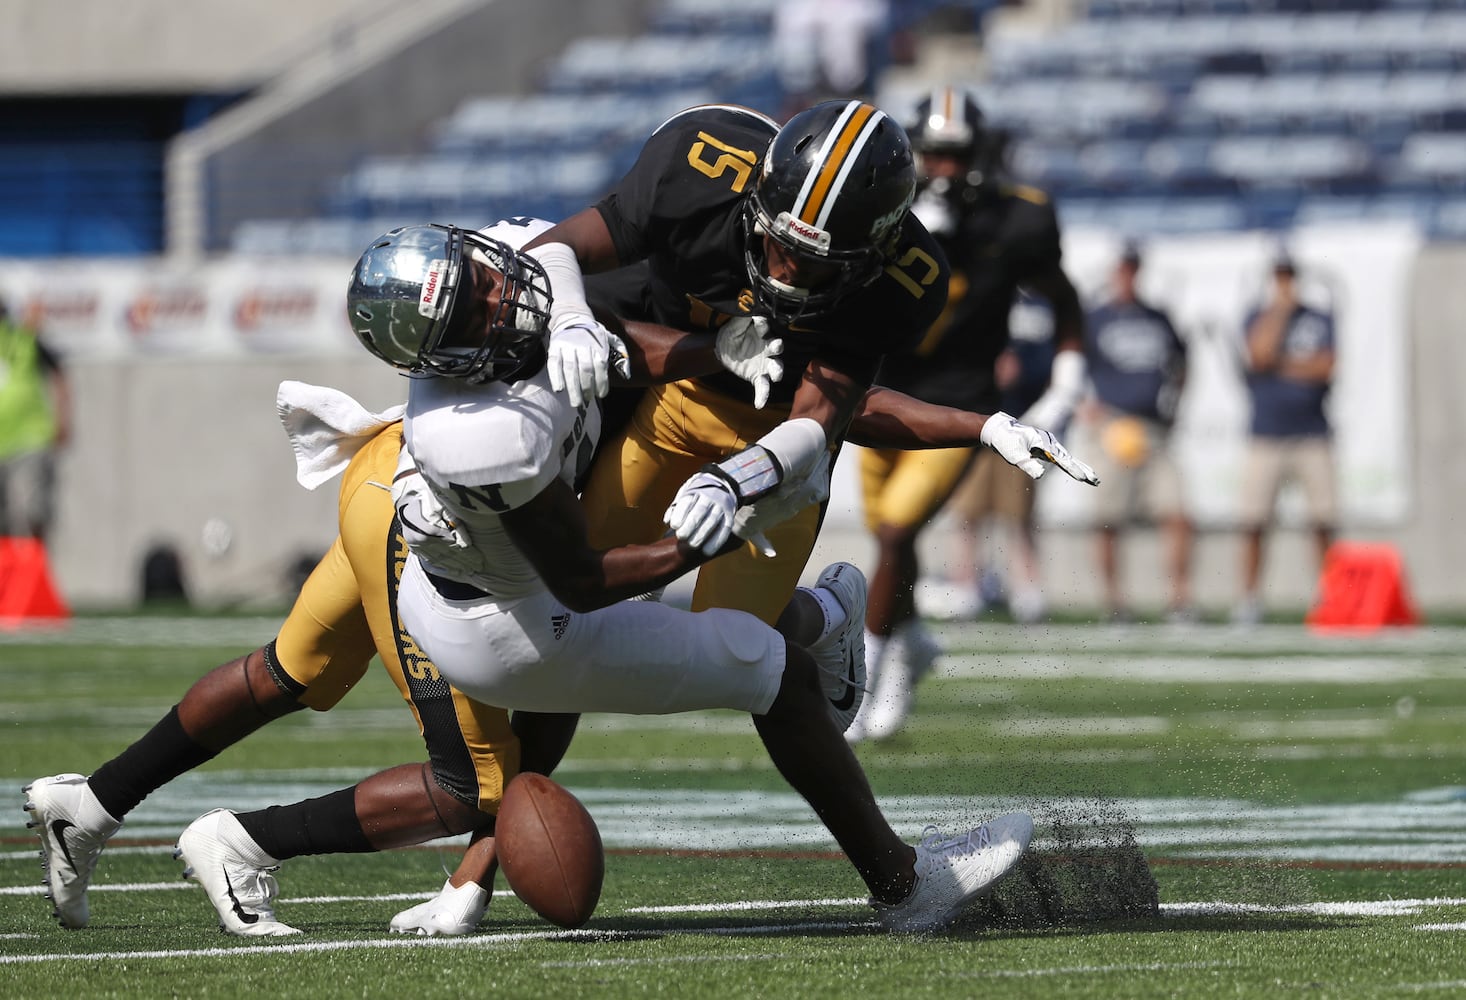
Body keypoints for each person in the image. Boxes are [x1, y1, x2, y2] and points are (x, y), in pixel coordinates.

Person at [168, 218, 1085, 937]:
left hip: (478, 592)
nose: (504, 292)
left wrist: (701, 350)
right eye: (481, 302)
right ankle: (905, 885)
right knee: (768, 670)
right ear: (455, 357)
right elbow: (585, 583)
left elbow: (642, 343)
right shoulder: (484, 430)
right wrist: (707, 529)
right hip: (518, 623)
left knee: (480, 781)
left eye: (487, 272)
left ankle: (270, 844)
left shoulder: (519, 305)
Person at [847, 87, 1088, 742]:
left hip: (961, 407)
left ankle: (869, 678)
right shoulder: (878, 207)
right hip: (881, 402)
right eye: (934, 154)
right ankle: (914, 638)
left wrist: (1064, 386)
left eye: (955, 155)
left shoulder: (1018, 220)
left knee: (896, 535)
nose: (945, 169)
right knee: (892, 543)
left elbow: (1065, 302)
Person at [1080, 242, 1193, 624]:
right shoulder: (1096, 318)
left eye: (1133, 269)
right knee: (1109, 518)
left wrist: (1175, 403)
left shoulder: (1157, 317)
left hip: (1153, 428)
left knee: (1177, 512)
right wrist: (1087, 408)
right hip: (1113, 427)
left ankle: (1178, 600)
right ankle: (1115, 603)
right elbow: (1069, 364)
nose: (1128, 276)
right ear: (1114, 273)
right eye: (1123, 269)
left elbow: (1181, 362)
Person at [1233, 250, 1336, 626]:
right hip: (1268, 432)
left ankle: (1330, 595)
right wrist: (1279, 313)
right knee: (1254, 521)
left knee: (1323, 519)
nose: (1285, 283)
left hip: (1312, 431)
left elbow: (1326, 367)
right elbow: (1258, 355)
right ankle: (1249, 599)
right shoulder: (1258, 315)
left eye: (1289, 275)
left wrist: (1283, 363)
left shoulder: (1319, 317)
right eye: (1279, 276)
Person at [0, 296, 71, 542]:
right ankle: (7, 575)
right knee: (4, 520)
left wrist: (63, 419)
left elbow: (58, 374)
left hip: (29, 439)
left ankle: (36, 567)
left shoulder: (24, 339)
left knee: (33, 511)